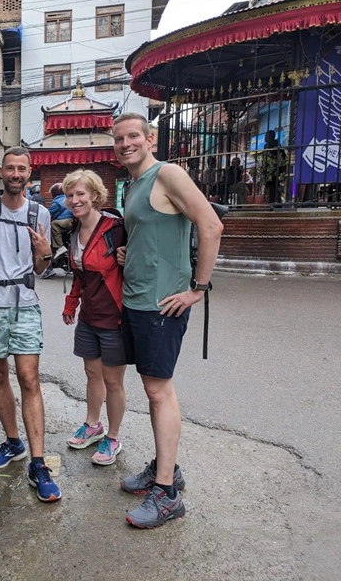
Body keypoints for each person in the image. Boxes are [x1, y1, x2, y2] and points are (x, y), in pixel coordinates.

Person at [112, 112, 223, 528]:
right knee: (151, 387)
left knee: (159, 392)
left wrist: (199, 287)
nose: (126, 143)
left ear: (150, 139)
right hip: (138, 301)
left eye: (134, 136)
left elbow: (211, 225)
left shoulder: (169, 173)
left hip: (163, 304)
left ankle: (167, 494)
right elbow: (155, 232)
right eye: (119, 138)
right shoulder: (134, 184)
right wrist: (130, 253)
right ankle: (166, 466)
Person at [0, 146, 60, 503]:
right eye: (10, 168)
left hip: (25, 304)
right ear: (0, 173)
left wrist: (46, 252)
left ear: (29, 175)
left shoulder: (41, 213)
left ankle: (38, 462)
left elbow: (39, 268)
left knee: (30, 379)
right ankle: (13, 442)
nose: (16, 174)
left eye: (22, 169)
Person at [61, 170, 127, 466]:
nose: (75, 200)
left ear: (95, 196)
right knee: (92, 373)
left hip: (115, 317)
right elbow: (80, 274)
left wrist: (130, 257)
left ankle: (112, 437)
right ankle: (93, 425)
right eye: (70, 195)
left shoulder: (116, 228)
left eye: (80, 194)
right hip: (89, 316)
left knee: (113, 381)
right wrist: (71, 303)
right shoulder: (74, 230)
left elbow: (139, 266)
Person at [42, 182, 75, 279]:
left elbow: (47, 214)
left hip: (63, 224)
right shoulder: (69, 199)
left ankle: (58, 249)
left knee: (52, 230)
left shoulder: (57, 202)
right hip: (72, 225)